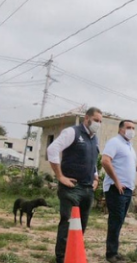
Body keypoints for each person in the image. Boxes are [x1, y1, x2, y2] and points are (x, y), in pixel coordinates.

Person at [47, 107, 103, 263]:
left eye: (100, 121)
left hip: (87, 189)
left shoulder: (94, 138)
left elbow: (92, 160)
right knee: (68, 222)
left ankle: (73, 256)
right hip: (71, 188)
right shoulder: (72, 132)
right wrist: (60, 176)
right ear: (87, 118)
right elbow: (52, 149)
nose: (98, 124)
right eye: (96, 120)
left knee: (80, 226)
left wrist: (96, 178)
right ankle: (62, 258)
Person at [102, 120, 137, 263]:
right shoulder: (114, 142)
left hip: (126, 189)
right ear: (121, 129)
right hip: (115, 188)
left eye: (133, 128)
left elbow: (125, 168)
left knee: (119, 221)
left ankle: (114, 252)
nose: (131, 130)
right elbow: (105, 161)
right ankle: (110, 254)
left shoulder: (129, 146)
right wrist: (117, 182)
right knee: (115, 221)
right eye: (128, 127)